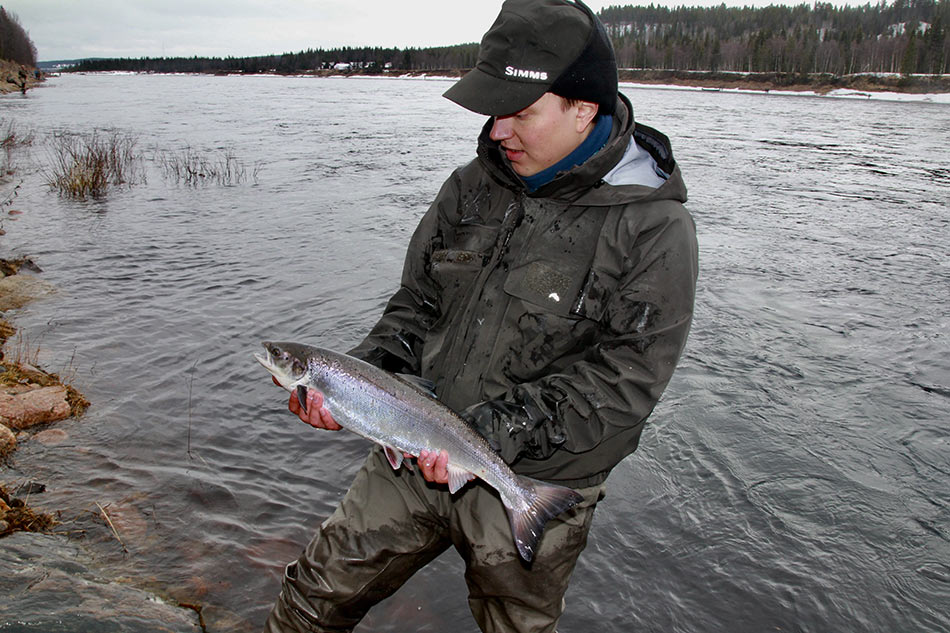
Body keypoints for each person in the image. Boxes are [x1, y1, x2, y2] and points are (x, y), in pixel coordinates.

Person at [264, 1, 698, 631]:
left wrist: (494, 433)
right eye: (495, 111)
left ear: (584, 109)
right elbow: (415, 306)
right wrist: (360, 382)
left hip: (539, 480)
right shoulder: (470, 189)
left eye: (520, 113)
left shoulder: (654, 231)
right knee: (310, 600)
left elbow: (624, 384)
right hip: (409, 454)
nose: (498, 131)